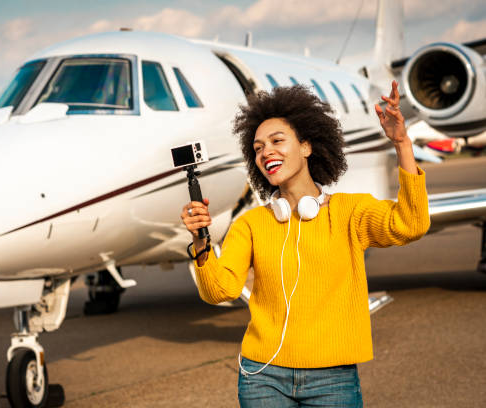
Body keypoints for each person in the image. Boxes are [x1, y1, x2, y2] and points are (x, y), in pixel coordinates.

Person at [180, 81, 430, 407]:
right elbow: (219, 291)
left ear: (307, 147)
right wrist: (200, 238)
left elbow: (412, 224)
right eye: (257, 148)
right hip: (262, 378)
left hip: (332, 380)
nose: (265, 151)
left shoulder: (349, 212)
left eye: (277, 141)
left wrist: (402, 144)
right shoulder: (251, 224)